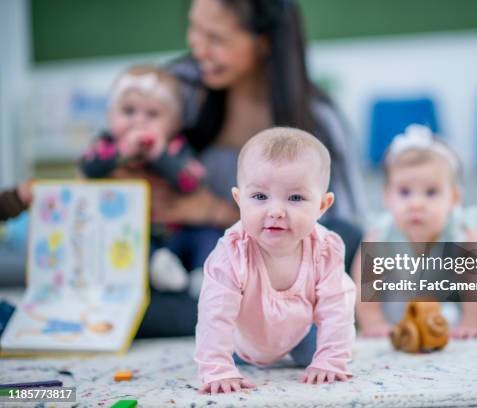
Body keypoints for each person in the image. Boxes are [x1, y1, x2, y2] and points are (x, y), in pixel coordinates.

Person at [125, 0, 364, 337]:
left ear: (263, 42)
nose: (197, 46)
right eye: (194, 28)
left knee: (348, 238)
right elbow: (107, 152)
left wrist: (216, 211)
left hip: (275, 272)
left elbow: (342, 230)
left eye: (216, 38)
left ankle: (243, 315)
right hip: (182, 264)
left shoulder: (318, 120)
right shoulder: (176, 93)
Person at [195, 127, 355, 394]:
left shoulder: (325, 249)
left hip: (301, 335)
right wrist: (217, 369)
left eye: (295, 198)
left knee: (326, 353)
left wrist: (331, 360)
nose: (276, 211)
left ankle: (326, 352)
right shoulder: (232, 253)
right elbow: (215, 315)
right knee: (227, 354)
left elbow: (337, 306)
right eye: (259, 197)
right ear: (239, 200)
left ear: (322, 206)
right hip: (241, 344)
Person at [351, 125, 477, 340]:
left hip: (454, 292)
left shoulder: (460, 232)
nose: (416, 204)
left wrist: (473, 320)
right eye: (404, 192)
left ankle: (470, 313)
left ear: (453, 198)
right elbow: (365, 283)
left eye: (431, 192)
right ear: (387, 197)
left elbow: (475, 283)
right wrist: (372, 321)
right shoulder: (381, 234)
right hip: (405, 291)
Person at [79, 65, 209, 293]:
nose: (139, 121)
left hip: (176, 231)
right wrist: (121, 152)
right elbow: (89, 167)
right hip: (133, 234)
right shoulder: (107, 145)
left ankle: (204, 274)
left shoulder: (176, 147)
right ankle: (158, 267)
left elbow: (189, 183)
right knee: (121, 241)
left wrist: (160, 155)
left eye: (152, 114)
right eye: (128, 111)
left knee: (206, 235)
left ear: (175, 123)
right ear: (110, 115)